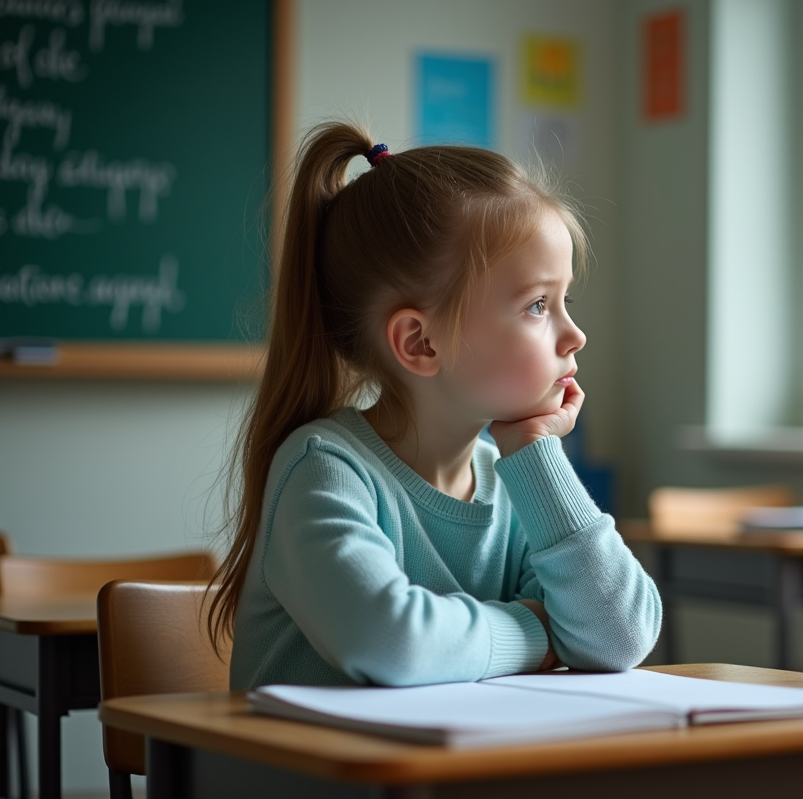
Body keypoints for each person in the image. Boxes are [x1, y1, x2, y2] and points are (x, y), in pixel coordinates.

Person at [208, 122, 661, 689]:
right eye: (538, 305)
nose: (575, 335)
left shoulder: (514, 480)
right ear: (421, 343)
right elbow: (389, 641)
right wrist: (541, 634)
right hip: (304, 778)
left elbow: (619, 634)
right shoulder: (324, 469)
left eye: (565, 299)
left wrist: (536, 452)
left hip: (441, 773)